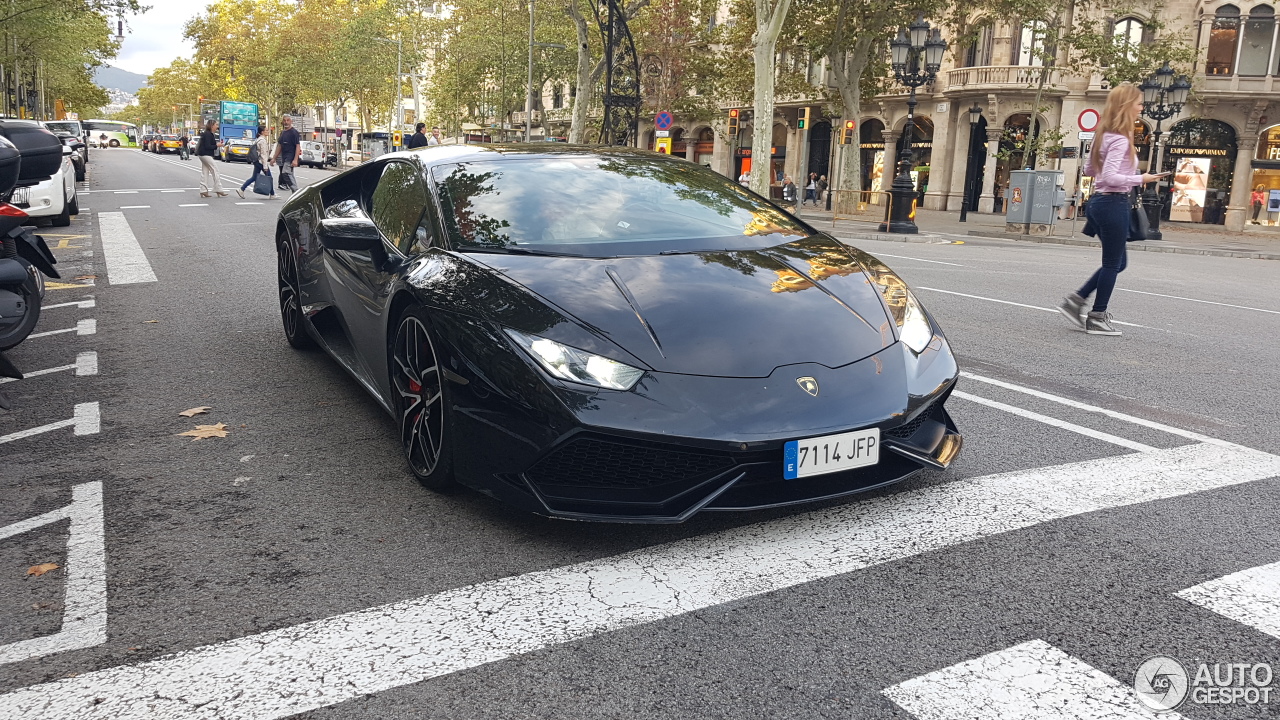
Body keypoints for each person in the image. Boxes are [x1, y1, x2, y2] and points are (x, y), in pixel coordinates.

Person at [1058, 83, 1164, 336]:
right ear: (1126, 106)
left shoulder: (1104, 136)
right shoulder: (1120, 140)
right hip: (1113, 202)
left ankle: (1077, 300)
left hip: (1100, 202)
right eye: (1138, 103)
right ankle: (1096, 316)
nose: (1142, 107)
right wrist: (1142, 179)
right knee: (1112, 263)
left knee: (1118, 263)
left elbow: (1088, 170)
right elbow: (1111, 176)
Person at [236, 127, 275, 200]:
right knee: (269, 178)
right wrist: (265, 166)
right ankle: (272, 194)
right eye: (266, 130)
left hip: (257, 161)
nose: (268, 131)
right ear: (262, 132)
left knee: (254, 177)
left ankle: (241, 189)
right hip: (261, 162)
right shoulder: (262, 141)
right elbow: (263, 154)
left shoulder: (258, 139)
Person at [196, 120, 228, 198]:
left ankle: (203, 190)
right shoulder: (208, 134)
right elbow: (208, 146)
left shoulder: (208, 134)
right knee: (215, 170)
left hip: (202, 154)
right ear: (211, 126)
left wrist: (217, 145)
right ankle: (218, 188)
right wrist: (217, 145)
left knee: (205, 172)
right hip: (206, 154)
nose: (217, 126)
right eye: (216, 125)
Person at [271, 115, 301, 194]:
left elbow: (298, 146)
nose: (286, 122)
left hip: (290, 157)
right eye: (284, 120)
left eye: (288, 120)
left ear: (291, 122)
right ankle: (294, 192)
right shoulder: (283, 133)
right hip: (284, 157)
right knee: (288, 174)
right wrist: (274, 158)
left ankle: (296, 190)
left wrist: (295, 159)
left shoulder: (294, 132)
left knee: (286, 172)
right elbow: (279, 146)